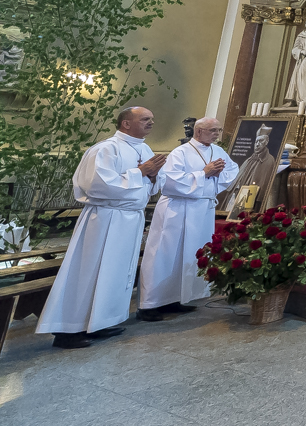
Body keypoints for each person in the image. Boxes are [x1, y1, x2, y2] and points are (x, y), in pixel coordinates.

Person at [37, 107, 164, 349]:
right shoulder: (105, 149)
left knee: (115, 273)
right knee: (89, 271)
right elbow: (96, 185)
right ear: (126, 123)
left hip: (130, 218)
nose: (151, 122)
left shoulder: (145, 149)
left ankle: (98, 322)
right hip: (105, 218)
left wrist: (153, 176)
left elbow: (154, 184)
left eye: (152, 119)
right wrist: (140, 172)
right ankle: (68, 329)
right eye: (145, 119)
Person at [138, 117, 239, 320]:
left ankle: (175, 298)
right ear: (199, 131)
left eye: (218, 130)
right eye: (213, 130)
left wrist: (214, 177)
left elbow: (232, 170)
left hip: (202, 209)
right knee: (166, 255)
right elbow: (170, 181)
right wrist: (203, 174)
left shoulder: (218, 151)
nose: (217, 134)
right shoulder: (180, 153)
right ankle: (150, 304)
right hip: (177, 209)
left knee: (189, 255)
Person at [227, 123, 279, 213]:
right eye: (256, 142)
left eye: (261, 141)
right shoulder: (248, 160)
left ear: (266, 142)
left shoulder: (269, 160)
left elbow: (262, 188)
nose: (257, 144)